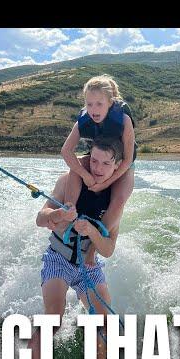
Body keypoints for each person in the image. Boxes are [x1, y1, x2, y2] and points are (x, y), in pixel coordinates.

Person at [14, 137, 126, 359]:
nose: (97, 168)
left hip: (89, 266)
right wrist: (57, 214)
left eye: (105, 164)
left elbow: (107, 249)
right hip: (58, 259)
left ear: (116, 166)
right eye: (93, 160)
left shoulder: (114, 201)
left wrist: (92, 232)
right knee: (53, 318)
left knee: (105, 322)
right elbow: (40, 218)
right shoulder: (68, 182)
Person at [60, 75, 135, 265]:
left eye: (99, 104)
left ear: (110, 102)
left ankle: (96, 244)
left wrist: (106, 182)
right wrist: (85, 176)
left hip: (121, 164)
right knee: (75, 167)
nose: (94, 110)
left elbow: (126, 160)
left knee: (118, 201)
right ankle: (70, 211)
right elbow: (66, 151)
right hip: (99, 157)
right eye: (90, 104)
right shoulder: (83, 121)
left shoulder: (124, 120)